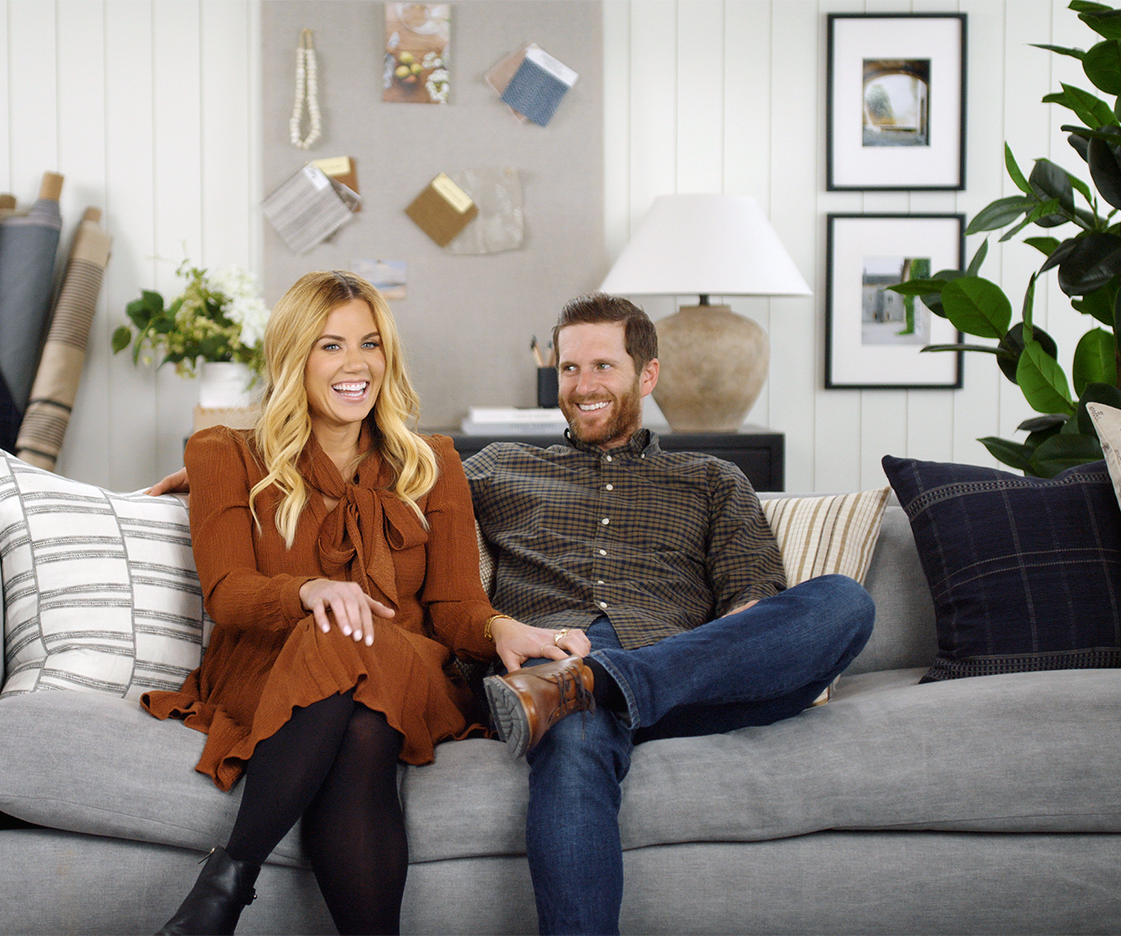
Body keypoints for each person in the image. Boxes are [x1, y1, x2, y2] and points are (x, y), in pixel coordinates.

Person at [140, 270, 567, 936]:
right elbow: (227, 593)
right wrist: (308, 590)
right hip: (269, 675)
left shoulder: (433, 462)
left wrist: (500, 627)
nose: (356, 364)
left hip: (407, 668)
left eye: (369, 343)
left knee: (350, 636)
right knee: (360, 722)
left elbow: (455, 604)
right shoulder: (224, 453)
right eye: (331, 346)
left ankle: (220, 895)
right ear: (293, 358)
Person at [466, 293, 875, 935]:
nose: (583, 385)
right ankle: (582, 687)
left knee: (845, 602)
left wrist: (644, 666)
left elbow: (751, 603)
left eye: (603, 366)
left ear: (647, 375)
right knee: (573, 728)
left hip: (686, 682)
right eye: (570, 369)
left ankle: (600, 679)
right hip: (543, 668)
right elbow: (417, 553)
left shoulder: (711, 479)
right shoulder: (497, 470)